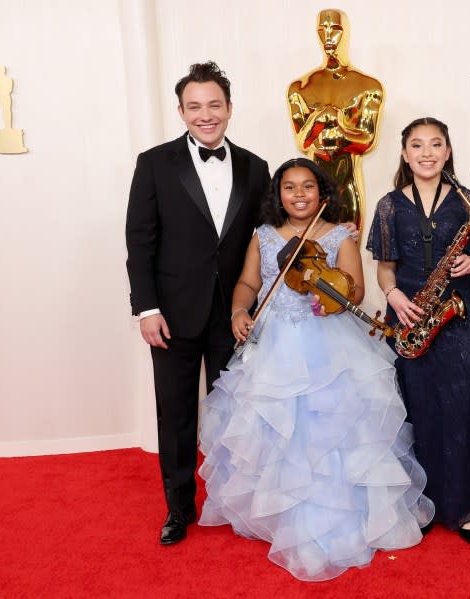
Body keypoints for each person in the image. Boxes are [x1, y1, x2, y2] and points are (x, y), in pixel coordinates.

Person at [198, 158, 434, 582]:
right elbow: (249, 283)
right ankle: (280, 516)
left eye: (308, 186)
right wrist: (238, 309)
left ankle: (342, 517)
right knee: (279, 427)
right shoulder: (264, 236)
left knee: (334, 428)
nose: (300, 195)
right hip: (275, 341)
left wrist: (333, 293)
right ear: (279, 195)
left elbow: (355, 288)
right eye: (290, 187)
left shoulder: (341, 234)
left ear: (323, 193)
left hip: (329, 338)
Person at [125, 61, 270, 546]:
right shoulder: (154, 163)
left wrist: (335, 232)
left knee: (237, 412)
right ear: (181, 111)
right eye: (194, 107)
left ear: (229, 108)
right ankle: (179, 508)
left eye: (214, 105)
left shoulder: (256, 166)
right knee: (177, 414)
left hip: (233, 315)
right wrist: (146, 309)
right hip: (171, 313)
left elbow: (268, 237)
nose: (205, 115)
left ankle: (234, 503)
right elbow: (140, 241)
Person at [366, 117, 470, 544]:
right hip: (409, 312)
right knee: (417, 405)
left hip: (459, 314)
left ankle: (464, 505)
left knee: (462, 404)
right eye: (417, 145)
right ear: (405, 153)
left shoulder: (469, 201)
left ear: (447, 151)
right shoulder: (389, 205)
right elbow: (384, 269)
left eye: (435, 144)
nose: (426, 153)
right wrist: (393, 297)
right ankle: (421, 503)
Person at [287, 8, 383, 233]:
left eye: (335, 29)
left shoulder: (367, 86)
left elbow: (366, 141)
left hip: (347, 180)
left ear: (346, 32)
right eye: (322, 30)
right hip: (314, 184)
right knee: (313, 255)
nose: (328, 36)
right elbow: (303, 142)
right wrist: (320, 118)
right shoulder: (300, 87)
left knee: (348, 254)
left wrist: (337, 125)